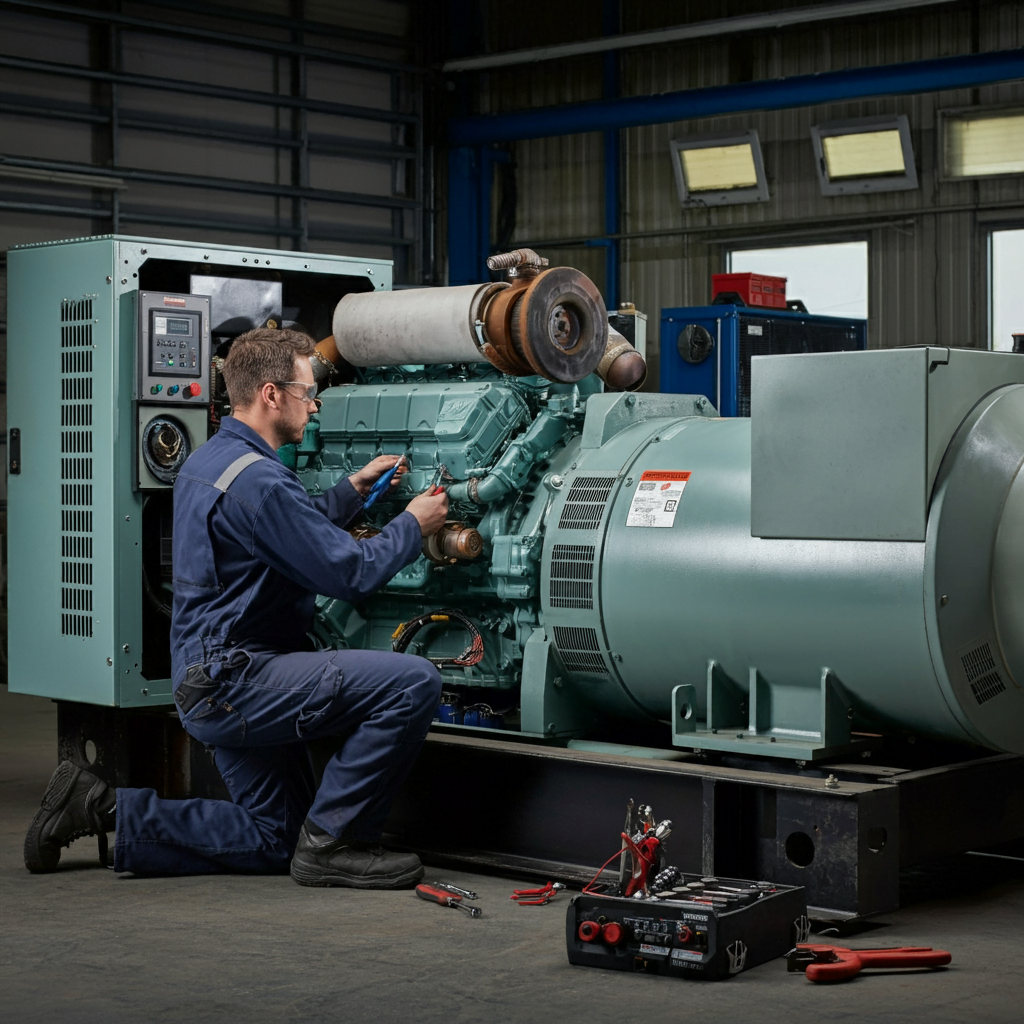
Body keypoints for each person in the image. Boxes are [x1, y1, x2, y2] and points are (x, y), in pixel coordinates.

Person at [25, 328, 449, 888]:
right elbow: (349, 573)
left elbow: (283, 529)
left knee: (278, 837)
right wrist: (412, 527)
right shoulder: (263, 481)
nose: (314, 403)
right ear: (271, 394)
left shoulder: (214, 462)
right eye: (306, 391)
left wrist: (350, 489)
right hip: (238, 683)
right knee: (411, 682)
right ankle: (336, 844)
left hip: (207, 680)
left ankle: (100, 808)